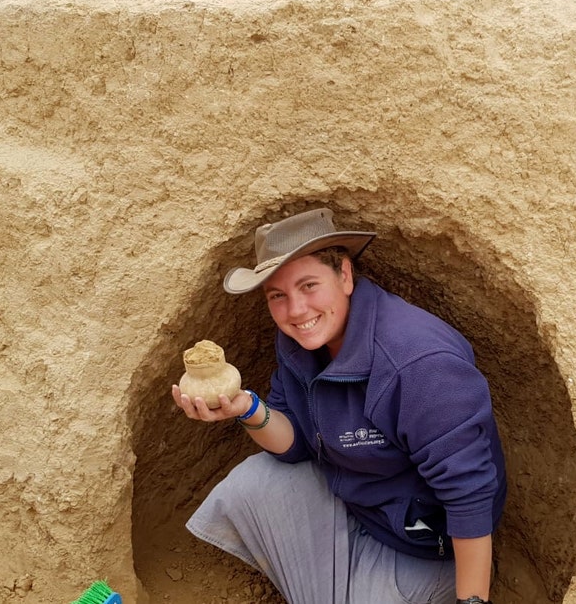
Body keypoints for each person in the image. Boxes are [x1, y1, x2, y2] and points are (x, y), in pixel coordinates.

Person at [172, 207, 506, 604]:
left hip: (426, 544)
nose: (296, 311)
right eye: (278, 295)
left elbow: (469, 494)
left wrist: (472, 602)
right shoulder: (300, 343)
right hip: (359, 504)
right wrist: (244, 407)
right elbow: (295, 442)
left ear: (345, 276)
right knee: (250, 484)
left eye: (309, 285)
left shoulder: (418, 364)